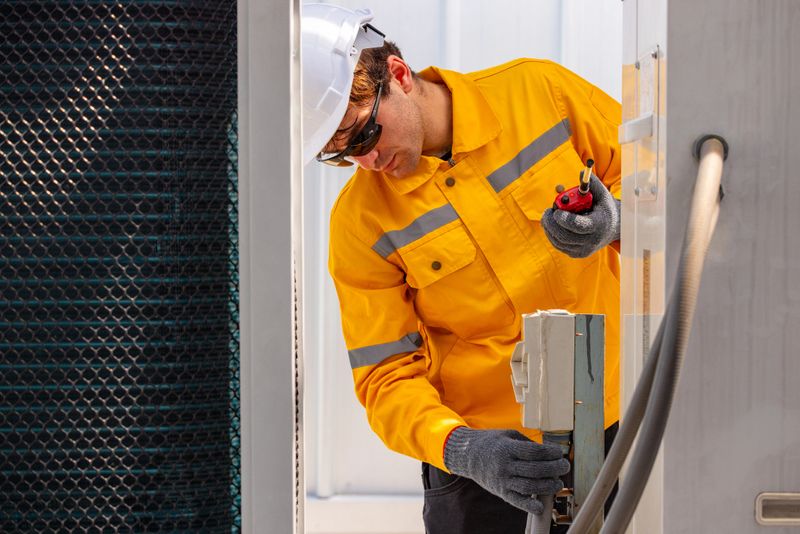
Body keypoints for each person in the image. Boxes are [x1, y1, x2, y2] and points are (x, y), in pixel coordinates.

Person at [302, 5, 621, 533]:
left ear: (399, 76)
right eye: (340, 154)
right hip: (484, 471)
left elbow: (665, 196)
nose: (366, 161)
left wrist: (617, 224)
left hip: (609, 425)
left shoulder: (540, 93)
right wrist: (463, 449)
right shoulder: (361, 224)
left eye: (363, 135)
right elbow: (385, 376)